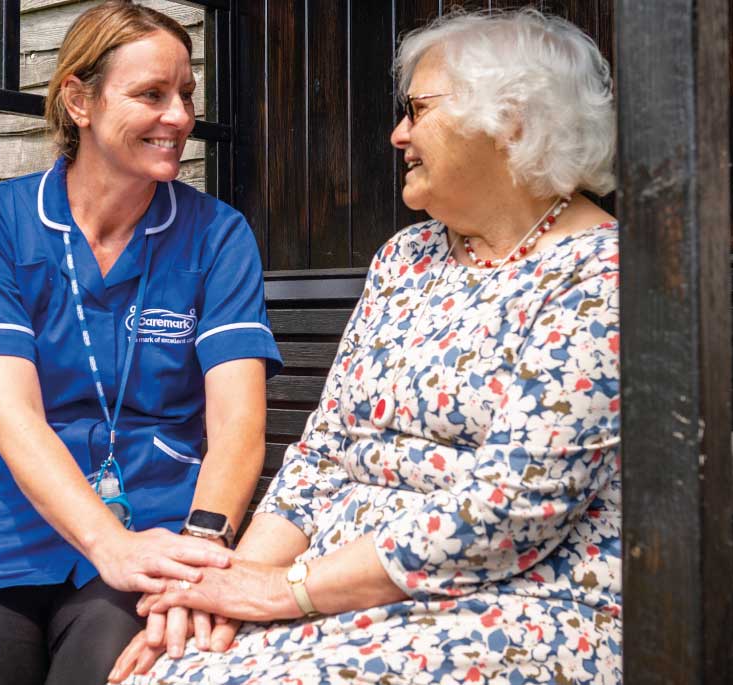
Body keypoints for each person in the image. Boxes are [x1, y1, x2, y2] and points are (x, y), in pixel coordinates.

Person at [109, 8, 622, 684]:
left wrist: (280, 591)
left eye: (417, 109)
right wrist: (226, 590)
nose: (397, 133)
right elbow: (324, 456)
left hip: (513, 605)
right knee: (167, 669)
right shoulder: (406, 259)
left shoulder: (602, 275)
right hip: (339, 593)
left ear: (512, 120)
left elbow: (512, 507)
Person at [0, 3, 282, 683]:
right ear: (79, 100)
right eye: (151, 94)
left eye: (185, 94)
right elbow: (10, 413)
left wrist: (203, 551)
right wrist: (106, 541)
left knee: (115, 663)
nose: (179, 117)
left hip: (159, 532)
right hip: (0, 533)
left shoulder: (219, 235)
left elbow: (239, 422)